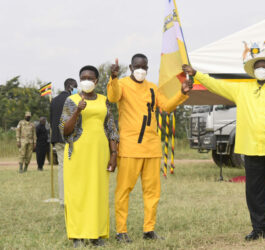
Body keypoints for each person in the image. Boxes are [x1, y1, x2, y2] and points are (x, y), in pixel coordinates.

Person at [182, 56, 265, 242]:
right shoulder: (242, 89)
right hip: (251, 148)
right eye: (258, 67)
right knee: (254, 192)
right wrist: (196, 74)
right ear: (253, 71)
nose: (261, 69)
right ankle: (258, 228)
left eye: (264, 66)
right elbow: (216, 85)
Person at [107, 54, 192, 242]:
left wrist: (182, 93)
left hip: (152, 148)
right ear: (130, 67)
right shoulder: (121, 84)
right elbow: (112, 97)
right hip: (129, 148)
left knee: (152, 193)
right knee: (123, 191)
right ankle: (121, 231)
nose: (141, 70)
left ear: (147, 68)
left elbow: (167, 106)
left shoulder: (153, 88)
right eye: (137, 67)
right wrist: (112, 78)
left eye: (144, 67)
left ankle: (149, 230)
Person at [60, 65, 118, 247]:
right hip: (77, 153)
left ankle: (96, 235)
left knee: (98, 193)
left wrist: (114, 154)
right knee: (77, 193)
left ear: (96, 81)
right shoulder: (71, 100)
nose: (86, 80)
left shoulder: (104, 100)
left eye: (90, 78)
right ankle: (77, 235)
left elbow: (111, 129)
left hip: (100, 153)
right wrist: (77, 111)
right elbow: (64, 131)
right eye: (83, 77)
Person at [50, 78, 77, 206]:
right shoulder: (72, 99)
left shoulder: (54, 100)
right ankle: (70, 198)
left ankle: (63, 200)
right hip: (69, 138)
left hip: (57, 138)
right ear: (70, 86)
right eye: (76, 86)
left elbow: (52, 120)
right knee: (73, 168)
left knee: (62, 167)